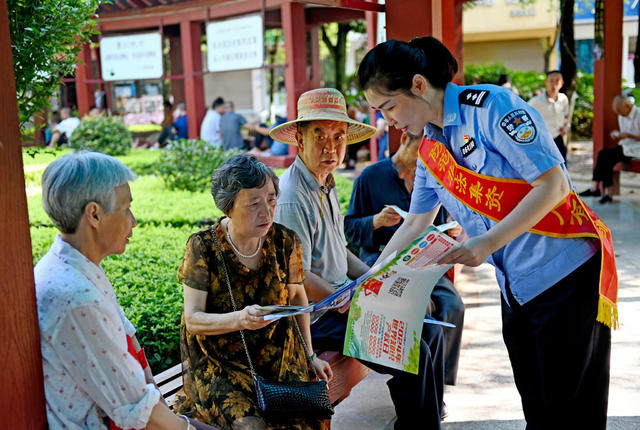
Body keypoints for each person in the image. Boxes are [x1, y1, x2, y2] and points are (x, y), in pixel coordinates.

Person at [359, 37, 617, 430]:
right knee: (537, 407)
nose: (388, 122)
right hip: (516, 287)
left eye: (389, 107)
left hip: (566, 276)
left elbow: (553, 185)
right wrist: (370, 279)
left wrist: (486, 243)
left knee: (570, 413)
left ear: (417, 85)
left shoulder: (493, 107)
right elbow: (415, 222)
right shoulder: (431, 145)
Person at [271, 88, 447, 429]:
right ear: (299, 138)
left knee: (430, 328)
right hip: (319, 318)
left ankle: (426, 419)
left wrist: (378, 281)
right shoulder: (292, 195)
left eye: (338, 136)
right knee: (413, 353)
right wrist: (357, 299)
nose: (330, 145)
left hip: (344, 301)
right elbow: (299, 277)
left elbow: (342, 250)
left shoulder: (325, 183)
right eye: (318, 135)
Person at [34, 152, 216, 430]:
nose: (133, 221)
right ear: (94, 214)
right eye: (126, 208)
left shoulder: (75, 265)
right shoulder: (76, 298)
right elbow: (137, 406)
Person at [174, 154, 333, 430]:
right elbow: (194, 319)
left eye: (271, 200)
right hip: (221, 363)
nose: (267, 212)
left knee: (309, 419)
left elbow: (297, 298)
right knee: (251, 426)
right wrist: (240, 319)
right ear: (228, 208)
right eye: (254, 204)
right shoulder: (203, 247)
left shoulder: (285, 240)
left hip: (278, 355)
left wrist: (310, 356)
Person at [344, 131, 465, 387]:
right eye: (417, 153)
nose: (420, 162)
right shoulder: (371, 177)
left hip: (424, 261)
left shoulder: (433, 175)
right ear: (403, 142)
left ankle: (438, 385)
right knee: (418, 308)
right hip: (380, 257)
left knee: (452, 305)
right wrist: (375, 221)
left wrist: (450, 229)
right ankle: (417, 385)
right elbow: (350, 228)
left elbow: (440, 222)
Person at [579, 94, 640, 204]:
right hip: (625, 147)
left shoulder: (639, 114)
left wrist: (629, 135)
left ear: (628, 106)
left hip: (636, 149)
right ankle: (605, 192)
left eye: (619, 111)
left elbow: (631, 136)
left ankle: (597, 188)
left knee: (604, 154)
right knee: (605, 157)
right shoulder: (621, 115)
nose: (619, 114)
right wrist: (617, 134)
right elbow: (624, 135)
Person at [528, 70, 570, 162]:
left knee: (563, 166)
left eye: (557, 81)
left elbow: (567, 116)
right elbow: (526, 116)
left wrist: (566, 127)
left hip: (559, 138)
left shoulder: (563, 99)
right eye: (551, 81)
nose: (554, 84)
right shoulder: (535, 101)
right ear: (546, 83)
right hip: (542, 140)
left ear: (561, 83)